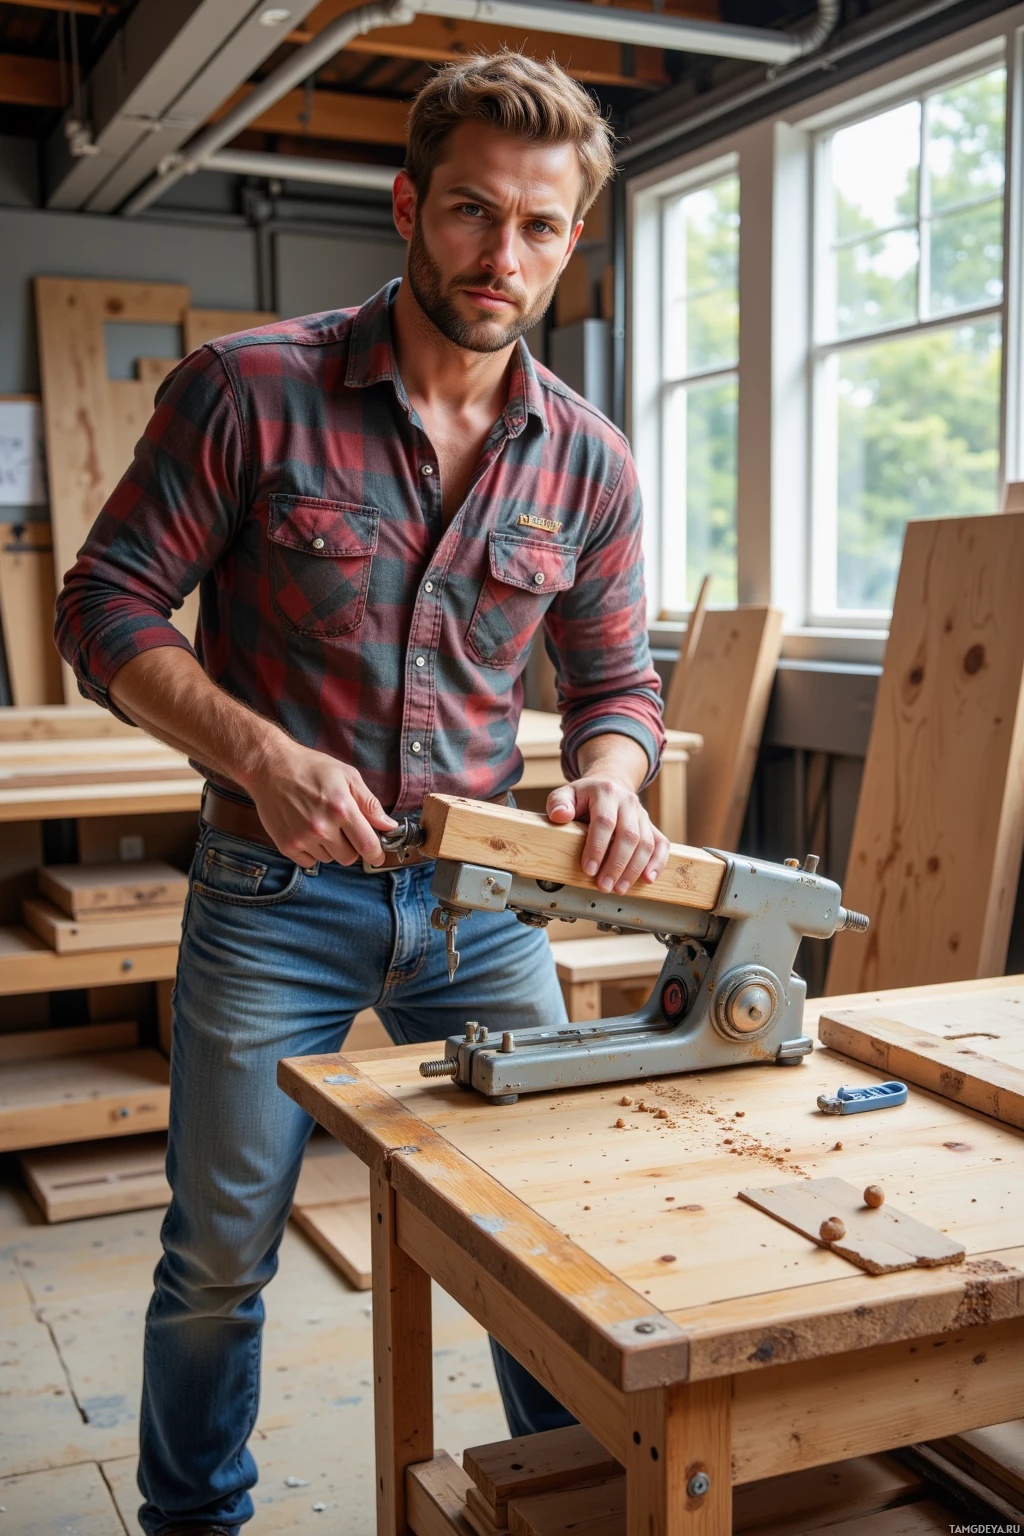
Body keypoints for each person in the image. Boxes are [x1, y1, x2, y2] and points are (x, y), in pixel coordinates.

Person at [55, 48, 667, 1536]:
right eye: (469, 213)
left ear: (572, 241)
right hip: (274, 905)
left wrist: (611, 780)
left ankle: (559, 1507)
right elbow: (105, 608)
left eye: (537, 227)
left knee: (554, 1250)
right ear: (408, 203)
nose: (499, 255)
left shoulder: (589, 464)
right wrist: (259, 756)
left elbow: (617, 690)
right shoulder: (248, 392)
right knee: (220, 1252)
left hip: (488, 905)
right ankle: (194, 1524)